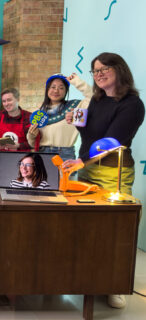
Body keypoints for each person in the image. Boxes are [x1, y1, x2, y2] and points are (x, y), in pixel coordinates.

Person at [63, 53, 144, 309]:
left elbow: (112, 140)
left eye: (104, 68)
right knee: (88, 229)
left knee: (115, 231)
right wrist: (76, 122)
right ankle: (89, 278)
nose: (99, 74)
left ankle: (114, 285)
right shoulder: (97, 100)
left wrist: (82, 160)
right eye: (95, 70)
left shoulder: (133, 104)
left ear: (120, 69)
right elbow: (91, 134)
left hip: (113, 172)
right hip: (87, 169)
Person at [26, 73, 92, 161]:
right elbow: (32, 144)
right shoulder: (38, 112)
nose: (56, 91)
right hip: (42, 154)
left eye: (61, 88)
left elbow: (94, 97)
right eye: (53, 87)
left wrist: (77, 82)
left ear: (66, 91)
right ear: (47, 89)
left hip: (65, 154)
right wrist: (31, 135)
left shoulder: (75, 106)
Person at [0, 88, 39, 152]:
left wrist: (18, 145)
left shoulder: (29, 117)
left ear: (18, 99)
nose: (6, 104)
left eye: (9, 100)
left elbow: (34, 143)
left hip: (21, 158)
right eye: (4, 101)